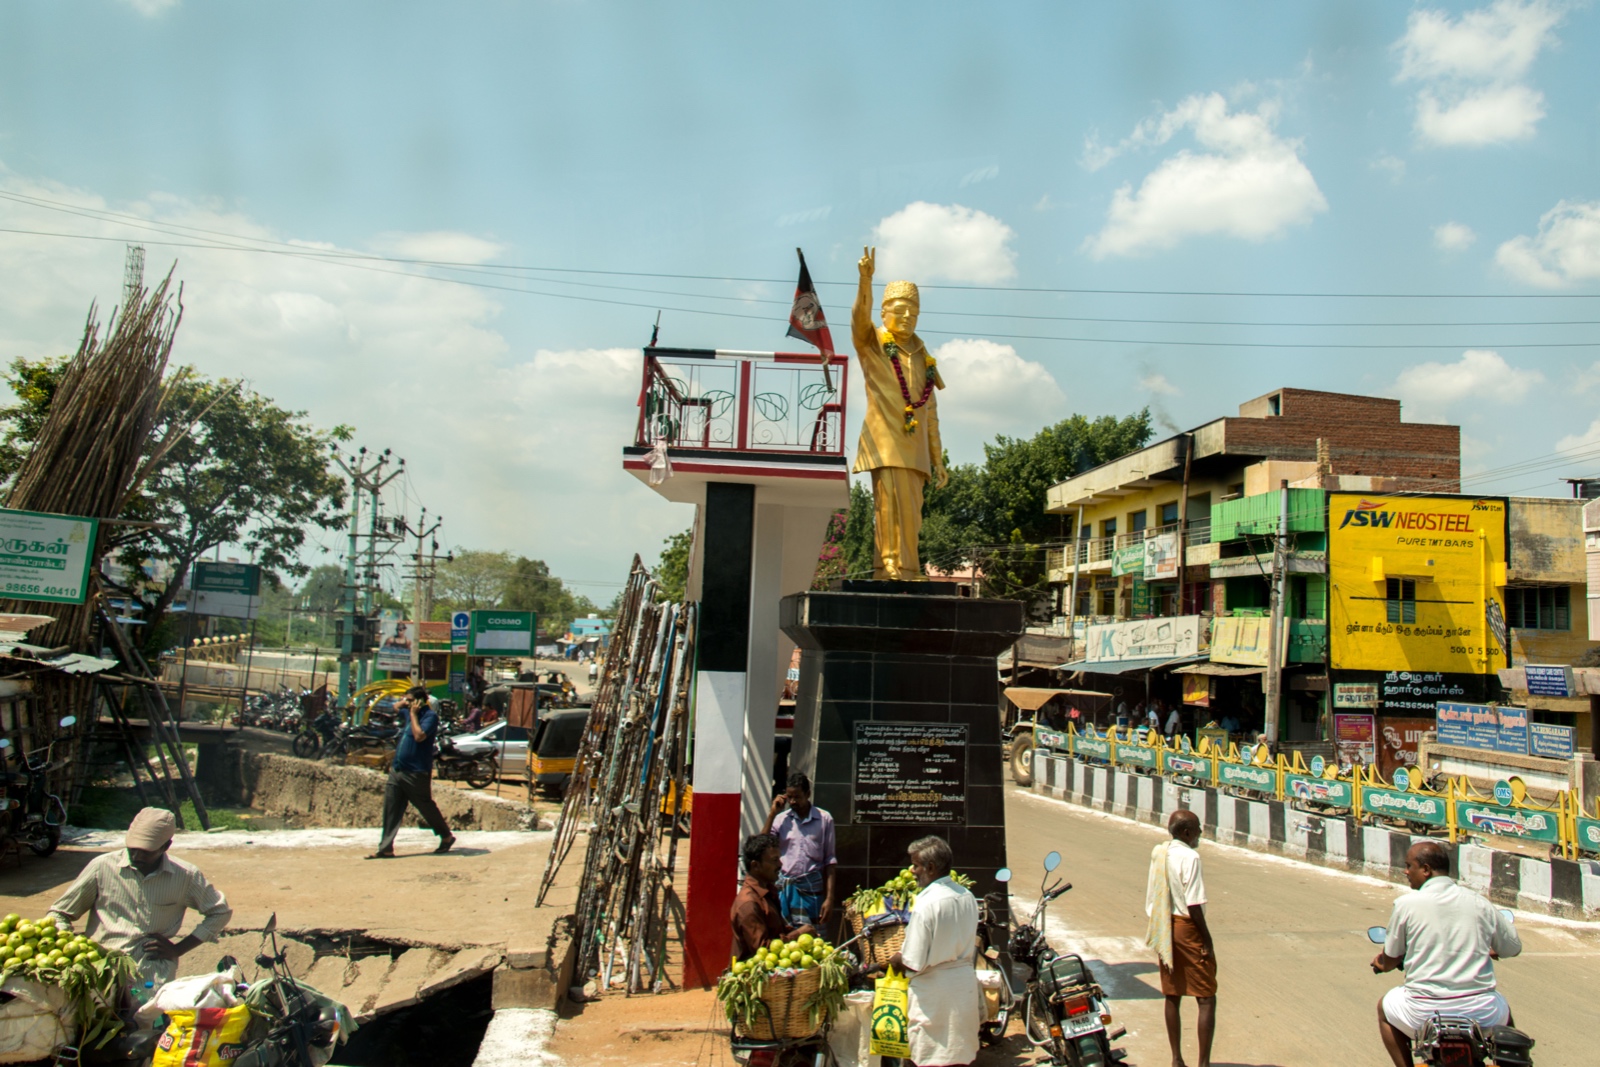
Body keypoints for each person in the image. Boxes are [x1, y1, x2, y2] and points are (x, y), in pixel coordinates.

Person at [1372, 841, 1521, 1067]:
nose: (1405, 872)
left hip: (1421, 1011)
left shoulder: (1406, 904)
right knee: (1504, 1013)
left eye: (1409, 866)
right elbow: (1513, 947)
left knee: (1384, 1009)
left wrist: (1381, 964)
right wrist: (1492, 948)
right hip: (1480, 1012)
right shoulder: (1479, 902)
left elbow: (1391, 959)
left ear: (1426, 869)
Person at [47, 807, 233, 986]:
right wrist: (69, 948)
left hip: (152, 974)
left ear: (166, 846)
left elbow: (220, 912)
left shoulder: (186, 876)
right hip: (100, 970)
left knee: (149, 1010)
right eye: (132, 849)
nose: (136, 856)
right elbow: (59, 913)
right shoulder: (102, 867)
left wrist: (178, 949)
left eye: (145, 852)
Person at [851, 246, 948, 580]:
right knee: (889, 505)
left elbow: (930, 411)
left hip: (915, 448)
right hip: (886, 442)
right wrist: (865, 281)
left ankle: (909, 566)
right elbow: (859, 320)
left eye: (914, 313)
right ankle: (888, 564)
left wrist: (937, 459)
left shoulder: (923, 356)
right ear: (884, 312)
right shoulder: (873, 342)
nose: (907, 317)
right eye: (900, 310)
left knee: (912, 513)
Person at [881, 836, 981, 1067]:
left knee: (930, 1057)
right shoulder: (967, 897)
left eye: (916, 865)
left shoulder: (927, 904)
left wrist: (894, 960)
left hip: (934, 997)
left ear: (931, 868)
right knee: (959, 1055)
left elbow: (912, 961)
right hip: (963, 988)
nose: (912, 871)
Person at [1146, 809, 1216, 1067]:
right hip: (1188, 928)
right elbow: (1194, 904)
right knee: (1206, 996)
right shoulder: (1191, 857)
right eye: (1197, 829)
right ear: (1187, 833)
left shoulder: (1160, 853)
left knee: (1172, 994)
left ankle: (1176, 1059)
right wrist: (1206, 941)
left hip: (1166, 927)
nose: (1200, 833)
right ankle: (1203, 1064)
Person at [367, 686, 455, 859]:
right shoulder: (408, 711)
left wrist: (414, 714)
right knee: (391, 808)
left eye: (410, 700)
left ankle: (446, 836)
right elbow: (395, 707)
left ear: (420, 702)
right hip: (398, 769)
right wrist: (404, 702)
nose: (407, 703)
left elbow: (419, 736)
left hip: (416, 772)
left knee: (425, 806)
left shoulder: (430, 717)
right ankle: (386, 848)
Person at [761, 772, 837, 926]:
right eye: (789, 797)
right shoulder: (781, 820)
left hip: (811, 892)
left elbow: (830, 861)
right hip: (784, 891)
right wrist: (772, 814)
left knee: (813, 936)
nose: (793, 801)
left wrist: (829, 898)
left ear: (808, 794)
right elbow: (761, 845)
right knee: (783, 935)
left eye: (797, 797)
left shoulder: (825, 819)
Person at [730, 833, 813, 961]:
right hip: (753, 970)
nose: (780, 865)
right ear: (755, 866)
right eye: (774, 860)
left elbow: (776, 932)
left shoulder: (767, 893)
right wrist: (797, 934)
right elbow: (762, 951)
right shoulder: (748, 903)